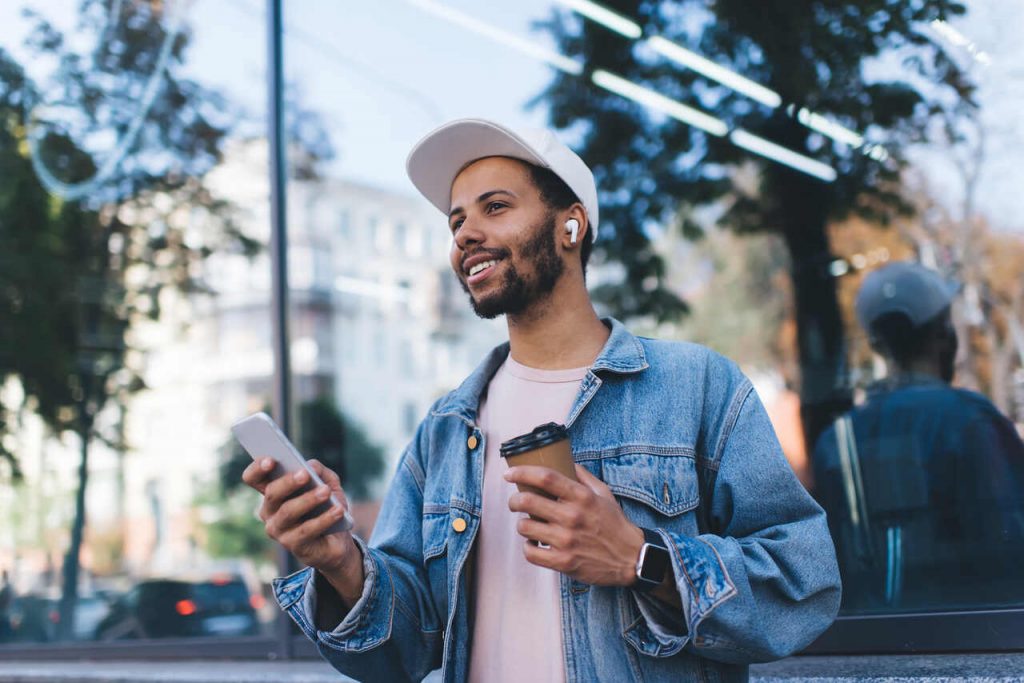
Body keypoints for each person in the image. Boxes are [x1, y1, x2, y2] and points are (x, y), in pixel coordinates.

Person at [244, 118, 841, 682]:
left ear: (571, 225)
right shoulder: (446, 428)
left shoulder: (698, 387)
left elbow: (804, 584)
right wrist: (341, 564)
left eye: (495, 207)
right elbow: (404, 651)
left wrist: (641, 558)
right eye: (455, 223)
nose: (466, 234)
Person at [812, 262, 1024, 613]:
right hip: (976, 633)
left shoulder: (836, 440)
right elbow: (1010, 542)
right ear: (943, 333)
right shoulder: (972, 419)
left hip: (868, 638)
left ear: (877, 345)